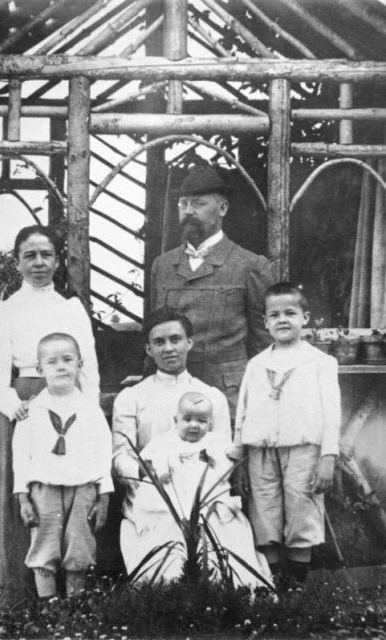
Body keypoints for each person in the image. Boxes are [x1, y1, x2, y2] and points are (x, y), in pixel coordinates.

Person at [0, 225, 100, 607]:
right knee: (23, 490)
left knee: (67, 491)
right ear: (17, 262)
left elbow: (87, 365)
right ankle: (15, 593)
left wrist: (87, 412)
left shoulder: (70, 309)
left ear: (58, 261)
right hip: (23, 406)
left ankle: (68, 588)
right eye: (30, 255)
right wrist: (15, 407)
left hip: (69, 406)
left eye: (46, 255)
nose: (39, 263)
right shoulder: (3, 310)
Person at [231, 282, 341, 582]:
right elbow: (243, 411)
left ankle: (296, 584)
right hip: (261, 450)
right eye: (274, 314)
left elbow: (332, 413)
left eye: (290, 313)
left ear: (305, 318)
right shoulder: (256, 365)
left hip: (303, 449)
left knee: (300, 508)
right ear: (265, 322)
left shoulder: (321, 363)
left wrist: (328, 455)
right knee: (264, 509)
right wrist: (238, 454)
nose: (282, 319)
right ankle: (273, 579)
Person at [150, 164, 274, 419]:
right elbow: (154, 332)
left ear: (223, 208)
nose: (188, 211)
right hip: (172, 397)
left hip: (229, 398)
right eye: (183, 204)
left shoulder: (250, 265)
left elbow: (264, 343)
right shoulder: (162, 265)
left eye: (198, 204)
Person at [121, 390, 272, 589]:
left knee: (228, 533)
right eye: (187, 420)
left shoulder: (216, 443)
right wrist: (164, 469)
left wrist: (214, 459)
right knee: (163, 530)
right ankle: (168, 583)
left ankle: (224, 582)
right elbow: (152, 461)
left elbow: (225, 471)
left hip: (206, 499)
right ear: (176, 420)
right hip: (173, 500)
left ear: (210, 423)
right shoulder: (163, 441)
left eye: (202, 421)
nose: (194, 425)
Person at [13, 333, 113, 598]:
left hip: (83, 489)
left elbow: (104, 452)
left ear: (79, 365)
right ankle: (50, 613)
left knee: (79, 547)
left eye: (68, 360)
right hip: (44, 489)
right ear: (39, 369)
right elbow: (21, 457)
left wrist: (103, 496)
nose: (61, 366)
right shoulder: (31, 411)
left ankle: (75, 610)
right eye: (52, 361)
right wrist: (23, 498)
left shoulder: (90, 410)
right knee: (44, 547)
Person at [112, 306, 232, 485]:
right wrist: (146, 472)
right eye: (159, 342)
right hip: (148, 496)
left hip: (201, 497)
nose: (168, 348)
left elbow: (224, 455)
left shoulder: (212, 397)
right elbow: (121, 458)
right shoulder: (131, 398)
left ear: (189, 343)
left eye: (175, 340)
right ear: (149, 349)